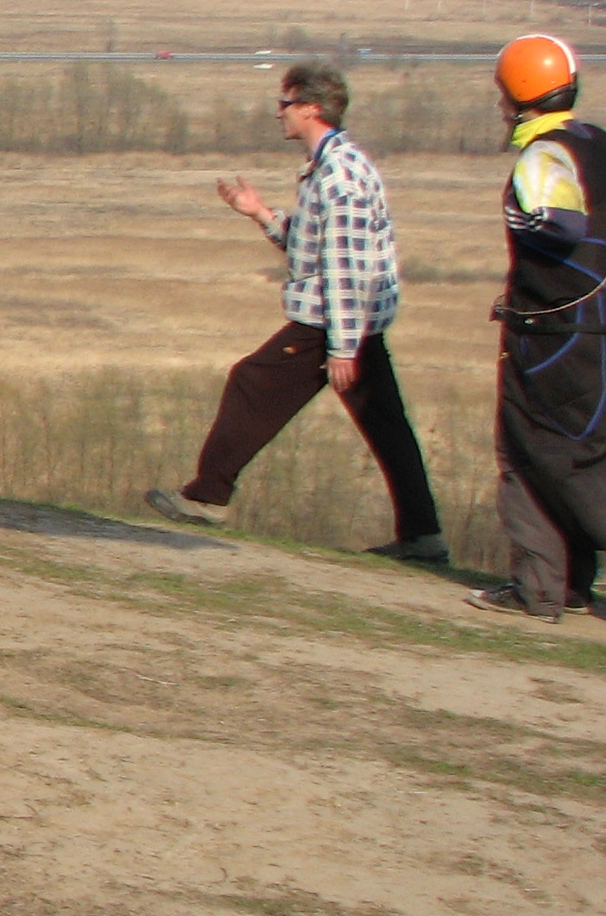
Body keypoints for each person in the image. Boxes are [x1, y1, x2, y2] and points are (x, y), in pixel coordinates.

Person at [147, 62, 445, 559]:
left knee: (251, 382)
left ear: (311, 108)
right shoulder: (332, 167)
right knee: (386, 424)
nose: (278, 114)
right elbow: (314, 247)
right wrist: (261, 214)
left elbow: (345, 268)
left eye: (284, 104)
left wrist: (343, 347)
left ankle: (206, 497)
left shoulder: (340, 178)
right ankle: (424, 535)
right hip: (351, 322)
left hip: (332, 321)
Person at [466, 35, 606, 626]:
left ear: (517, 95)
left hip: (555, 340)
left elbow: (557, 228)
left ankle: (542, 590)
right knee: (597, 453)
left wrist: (521, 219)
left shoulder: (542, 158)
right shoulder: (599, 146)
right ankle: (569, 585)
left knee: (530, 454)